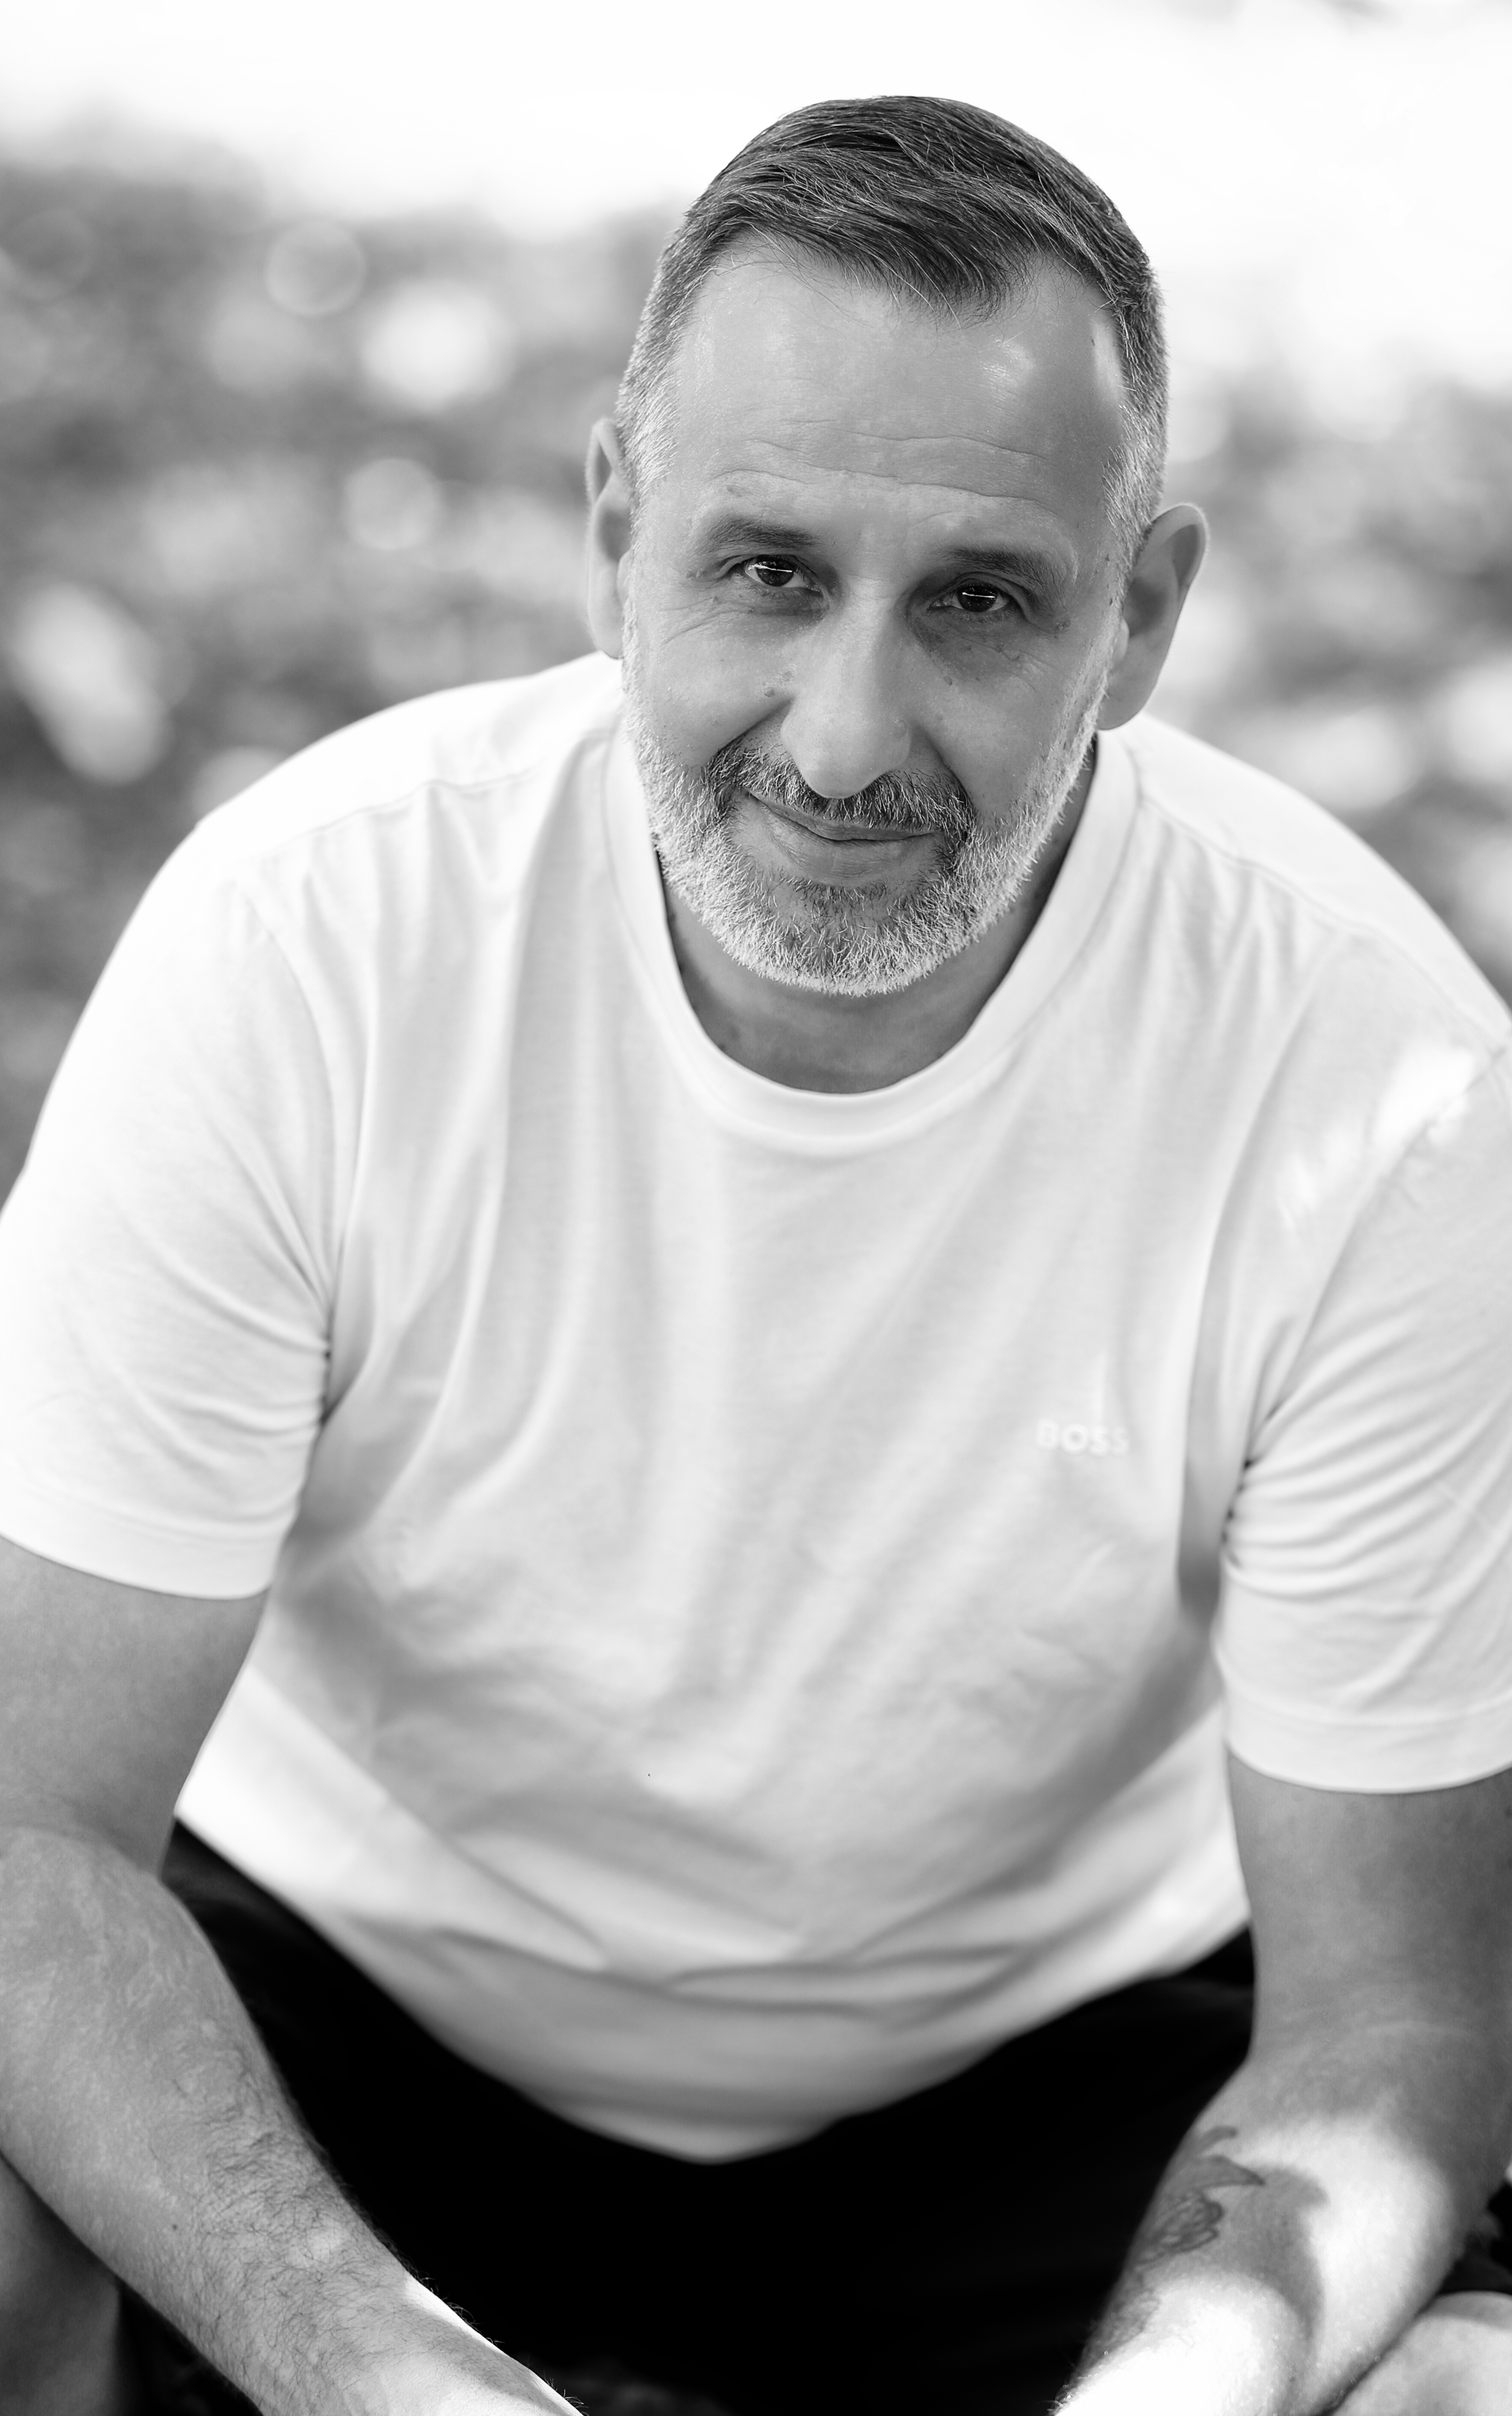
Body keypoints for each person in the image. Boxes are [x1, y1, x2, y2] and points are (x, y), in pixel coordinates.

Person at [1, 92, 1512, 2416]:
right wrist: (374, 2372)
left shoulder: (1380, 1081)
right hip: (331, 2005)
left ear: (1140, 615)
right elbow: (30, 1837)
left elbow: (1392, 2022)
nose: (844, 735)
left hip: (1046, 2071)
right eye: (771, 572)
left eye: (981, 599)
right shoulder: (307, 942)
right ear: (617, 535)